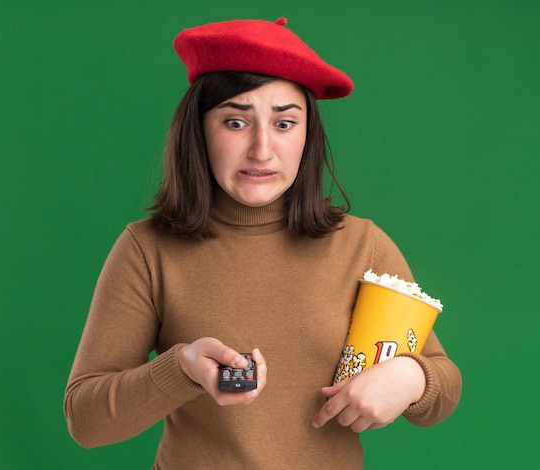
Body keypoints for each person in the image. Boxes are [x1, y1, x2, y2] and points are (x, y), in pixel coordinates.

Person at [64, 18, 461, 469]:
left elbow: (442, 389)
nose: (262, 149)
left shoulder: (361, 246)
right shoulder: (146, 249)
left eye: (285, 123)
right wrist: (182, 368)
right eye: (236, 122)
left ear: (308, 135)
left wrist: (412, 378)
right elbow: (86, 420)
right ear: (198, 131)